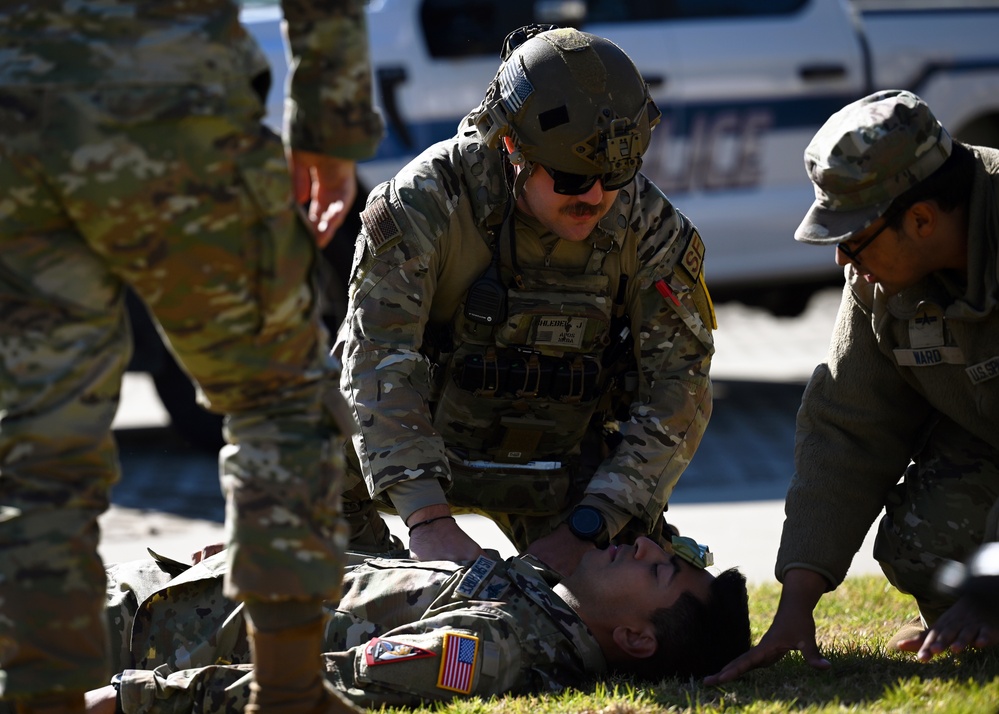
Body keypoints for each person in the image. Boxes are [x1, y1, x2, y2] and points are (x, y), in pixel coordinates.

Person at [0, 1, 382, 712]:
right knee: (280, 400)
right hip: (175, 99)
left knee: (40, 433)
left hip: (18, 113)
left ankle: (37, 698)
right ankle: (292, 691)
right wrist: (329, 128)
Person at [334, 25, 716, 577]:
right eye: (569, 177)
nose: (594, 197)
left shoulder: (647, 225)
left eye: (615, 174)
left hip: (563, 469)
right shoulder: (424, 203)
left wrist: (594, 522)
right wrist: (429, 524)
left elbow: (680, 384)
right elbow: (375, 359)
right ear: (512, 147)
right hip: (412, 449)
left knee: (647, 618)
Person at [705, 89, 999, 685]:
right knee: (921, 541)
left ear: (921, 219)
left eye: (853, 236)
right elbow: (847, 426)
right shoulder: (884, 275)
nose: (841, 258)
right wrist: (796, 604)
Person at [81, 535, 749, 713]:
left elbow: (329, 682)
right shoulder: (536, 600)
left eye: (657, 571)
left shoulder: (502, 647)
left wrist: (135, 699)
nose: (640, 547)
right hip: (151, 586)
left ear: (634, 639)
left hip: (121, 631)